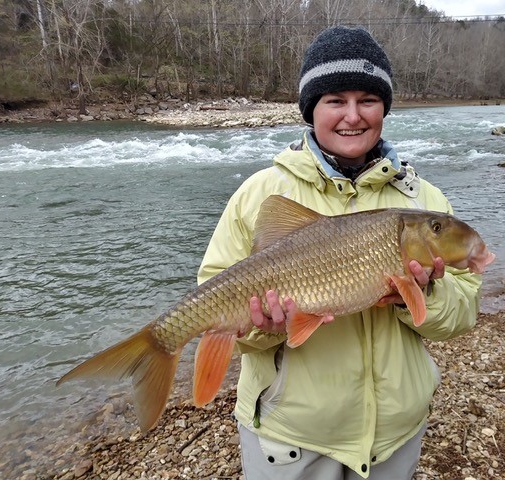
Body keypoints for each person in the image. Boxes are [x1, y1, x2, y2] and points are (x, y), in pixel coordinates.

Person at [197, 26, 483, 480]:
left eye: (367, 99)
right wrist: (263, 330)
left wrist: (424, 296)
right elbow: (216, 299)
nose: (353, 116)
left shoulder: (424, 200)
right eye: (335, 100)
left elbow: (463, 314)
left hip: (395, 433)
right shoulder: (258, 193)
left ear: (384, 107)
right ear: (312, 109)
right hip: (290, 437)